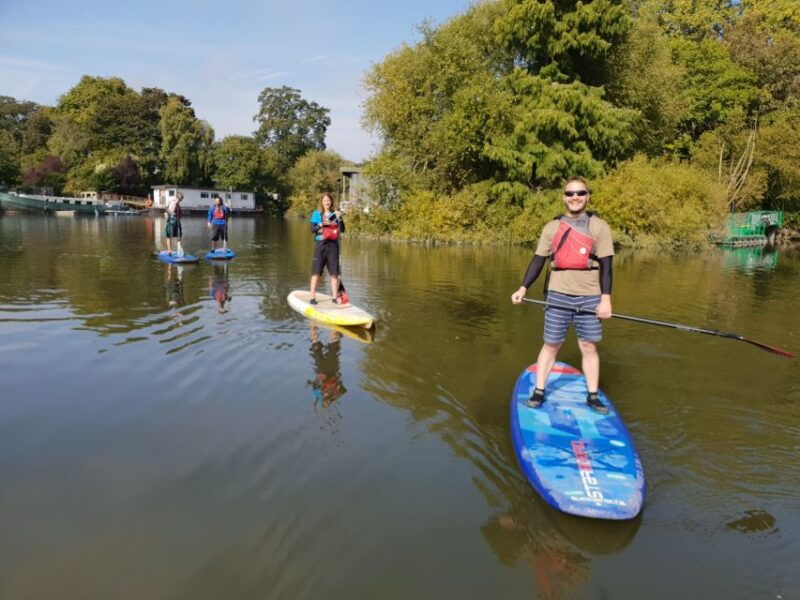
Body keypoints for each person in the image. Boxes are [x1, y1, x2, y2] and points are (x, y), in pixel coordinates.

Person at [510, 176, 614, 414]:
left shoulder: (600, 226)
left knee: (588, 345)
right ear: (563, 197)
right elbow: (538, 260)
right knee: (551, 344)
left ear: (588, 196)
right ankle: (539, 390)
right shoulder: (552, 227)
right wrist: (523, 287)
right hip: (557, 294)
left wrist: (606, 299)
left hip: (590, 295)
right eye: (570, 193)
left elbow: (607, 266)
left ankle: (592, 395)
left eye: (580, 193)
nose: (574, 197)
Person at [309, 192, 346, 305]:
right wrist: (321, 224)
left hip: (333, 246)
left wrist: (341, 218)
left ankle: (334, 298)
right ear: (321, 202)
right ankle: (312, 297)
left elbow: (343, 230)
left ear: (331, 202)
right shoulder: (316, 214)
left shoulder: (336, 214)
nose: (327, 202)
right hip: (320, 245)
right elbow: (312, 230)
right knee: (316, 272)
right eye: (324, 200)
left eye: (328, 200)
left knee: (334, 273)